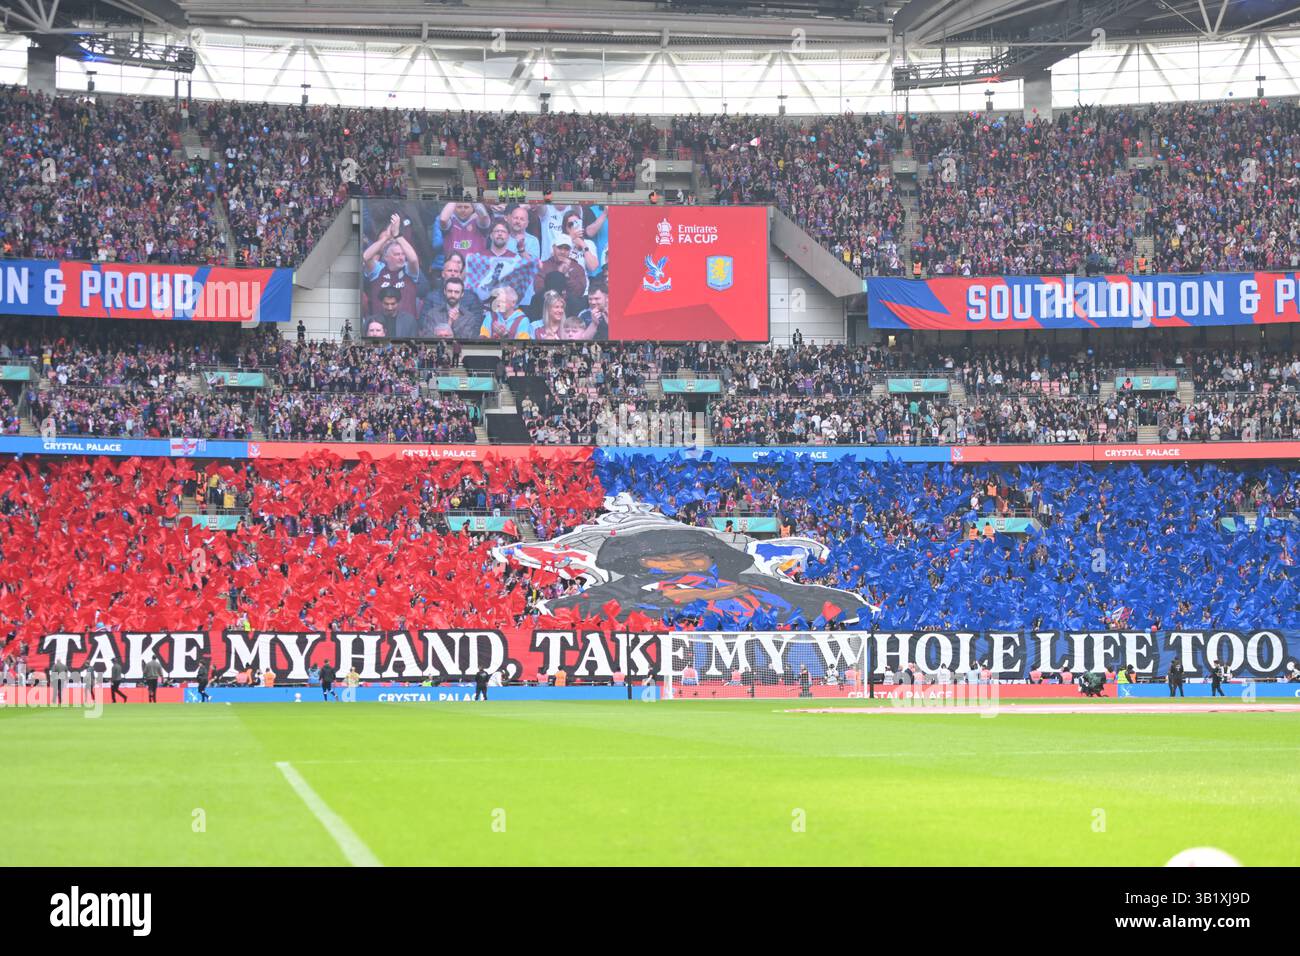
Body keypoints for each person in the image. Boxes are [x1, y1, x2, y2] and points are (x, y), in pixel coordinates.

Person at [362, 213, 422, 317]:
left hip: (405, 327)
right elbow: (366, 257)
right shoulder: (378, 270)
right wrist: (386, 238)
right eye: (396, 254)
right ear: (386, 257)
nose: (401, 257)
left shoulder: (409, 270)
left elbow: (413, 259)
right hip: (381, 327)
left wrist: (397, 235)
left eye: (403, 254)